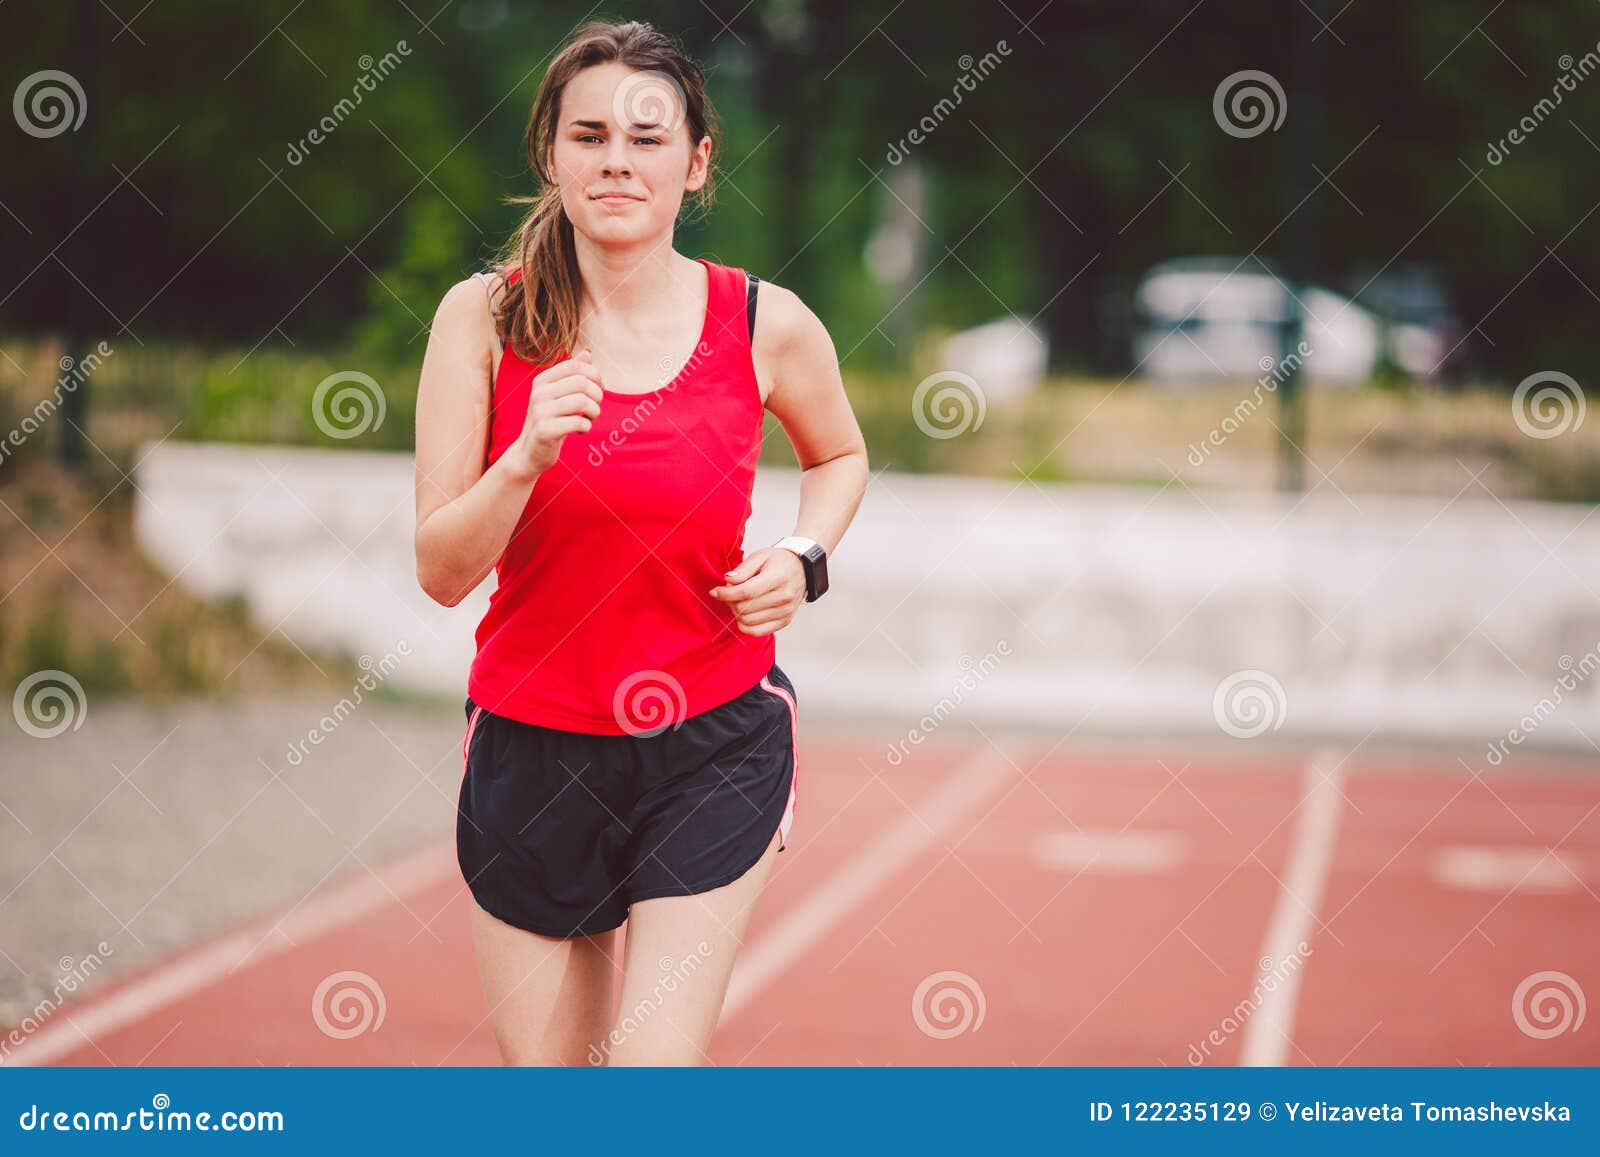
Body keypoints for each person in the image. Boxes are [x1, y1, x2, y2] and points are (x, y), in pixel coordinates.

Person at [413, 19, 869, 1065]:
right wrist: (522, 458)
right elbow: (441, 571)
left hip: (710, 736)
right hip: (533, 739)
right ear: (550, 154)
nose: (616, 157)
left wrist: (803, 557)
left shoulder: (765, 324)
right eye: (588, 134)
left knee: (647, 1083)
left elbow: (839, 456)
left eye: (647, 136)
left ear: (696, 161)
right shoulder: (481, 319)